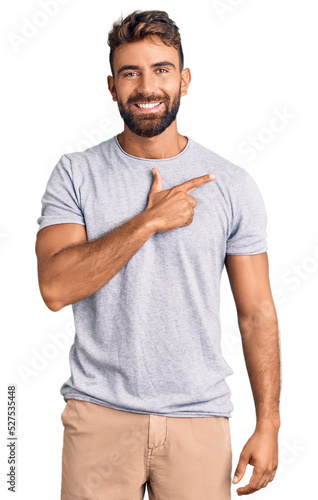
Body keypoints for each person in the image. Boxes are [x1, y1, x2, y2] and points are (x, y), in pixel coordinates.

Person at [35, 9, 281, 500]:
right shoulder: (76, 173)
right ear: (112, 86)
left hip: (199, 420)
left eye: (161, 69)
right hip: (99, 415)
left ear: (184, 80)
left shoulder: (231, 184)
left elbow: (256, 315)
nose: (147, 86)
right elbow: (56, 287)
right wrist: (148, 221)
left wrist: (269, 424)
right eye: (131, 72)